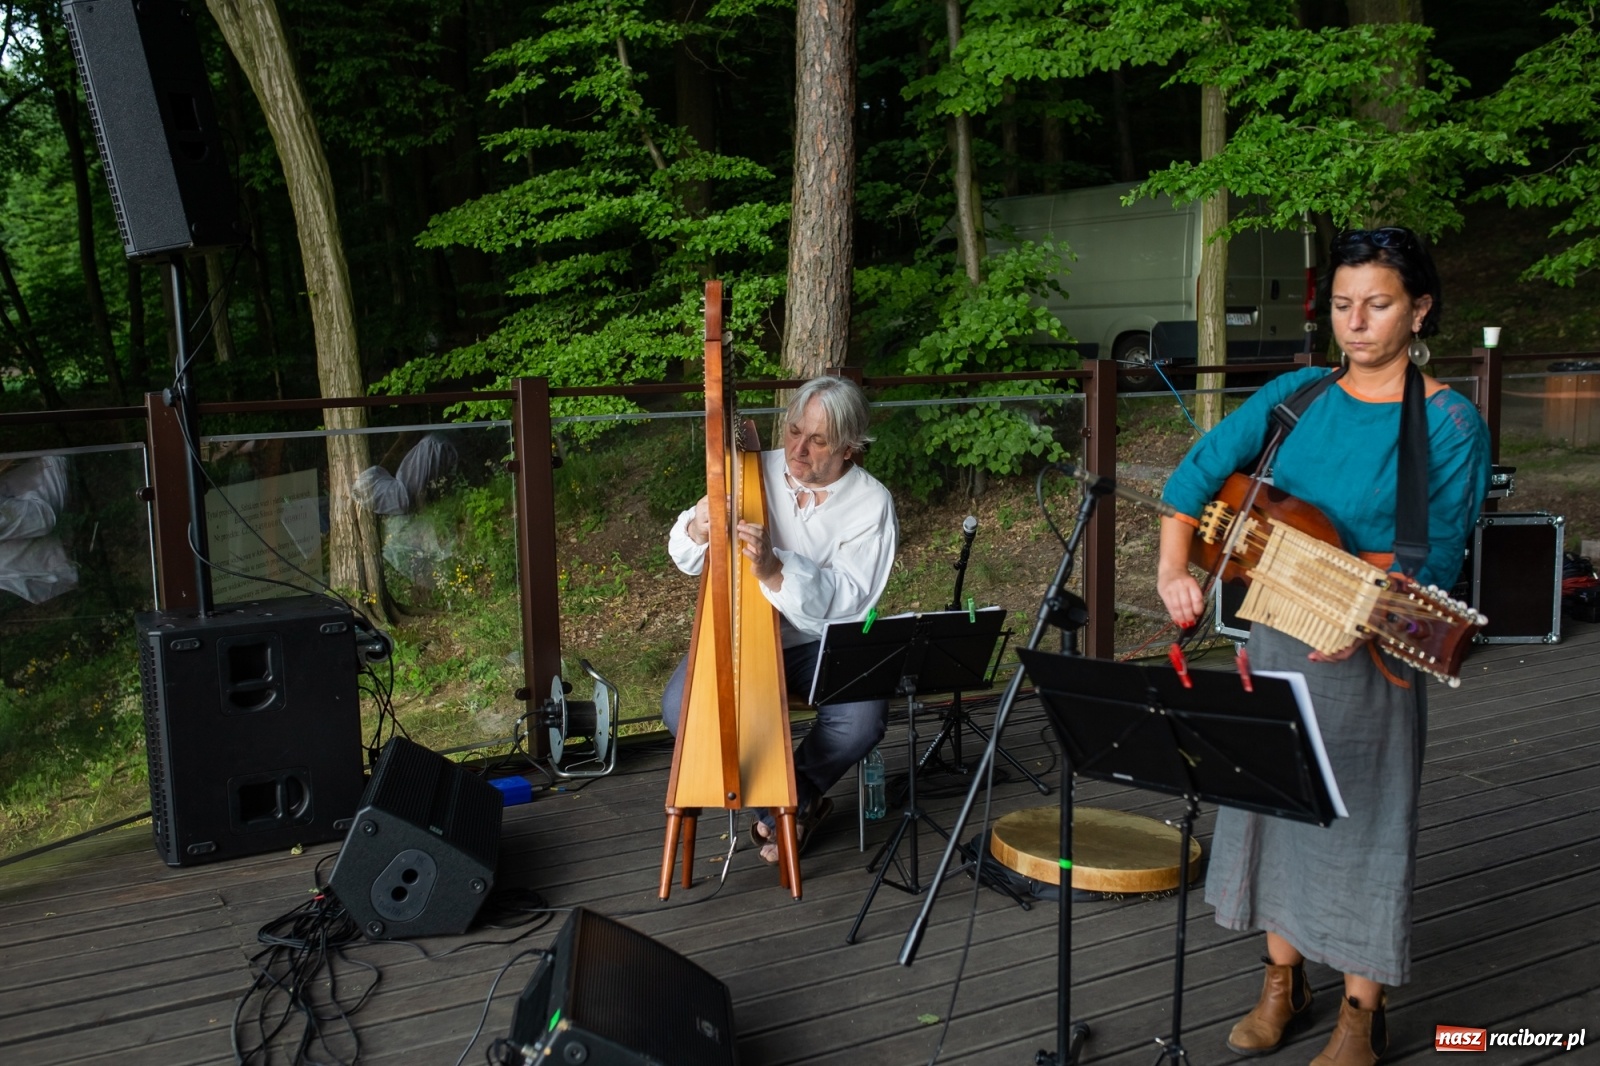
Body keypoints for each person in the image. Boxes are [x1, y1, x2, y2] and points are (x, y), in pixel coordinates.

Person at [1156, 228, 1490, 1066]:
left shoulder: (1448, 421)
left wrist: (1350, 608)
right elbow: (1196, 473)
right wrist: (1172, 572)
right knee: (1275, 807)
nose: (1358, 322)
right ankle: (1281, 981)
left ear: (1419, 310)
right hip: (1274, 637)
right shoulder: (1298, 393)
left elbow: (1436, 556)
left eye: (1378, 305)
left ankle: (1358, 1011)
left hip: (1372, 643)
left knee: (1362, 821)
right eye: (1343, 305)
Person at [662, 376, 897, 864]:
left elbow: (849, 601)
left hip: (819, 640)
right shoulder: (751, 469)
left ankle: (784, 804)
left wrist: (775, 567)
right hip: (741, 635)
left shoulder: (871, 504)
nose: (799, 449)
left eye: (818, 440)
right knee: (679, 708)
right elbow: (683, 552)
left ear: (850, 448)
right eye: (793, 431)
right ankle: (794, 807)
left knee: (860, 721)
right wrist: (697, 526)